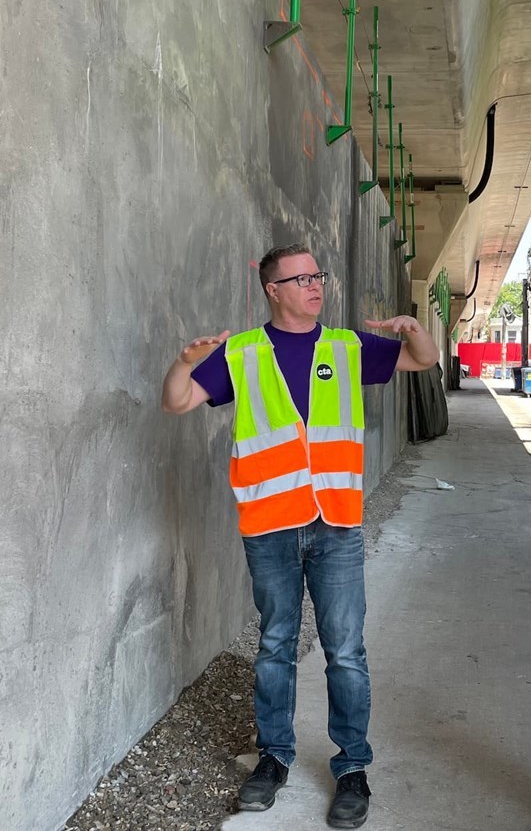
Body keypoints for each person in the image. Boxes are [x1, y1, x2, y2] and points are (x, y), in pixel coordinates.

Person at [160, 243, 439, 829]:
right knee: (275, 645)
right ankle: (273, 759)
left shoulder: (345, 345)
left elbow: (422, 360)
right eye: (302, 278)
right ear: (273, 289)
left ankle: (353, 768)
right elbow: (178, 401)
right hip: (270, 525)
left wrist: (413, 330)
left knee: (345, 651)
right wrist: (183, 362)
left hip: (335, 522)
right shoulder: (242, 353)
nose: (316, 285)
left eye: (319, 275)